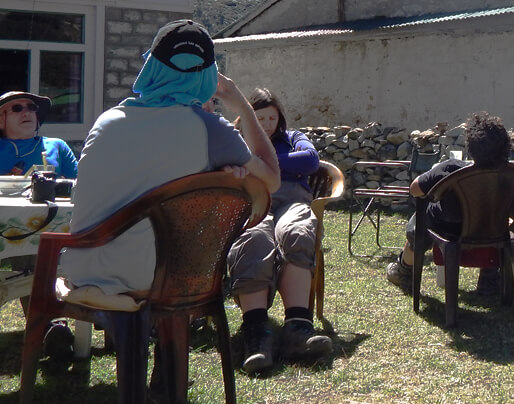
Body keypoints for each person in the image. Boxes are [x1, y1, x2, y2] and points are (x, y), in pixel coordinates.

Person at [58, 20, 280, 312]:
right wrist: (243, 107)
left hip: (83, 272)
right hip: (159, 279)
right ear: (209, 75)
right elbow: (272, 179)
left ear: (151, 66)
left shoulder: (107, 120)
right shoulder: (210, 130)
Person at [227, 88, 332, 372]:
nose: (266, 125)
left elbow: (310, 160)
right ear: (248, 118)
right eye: (260, 118)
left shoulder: (293, 138)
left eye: (272, 118)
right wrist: (277, 166)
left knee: (297, 230)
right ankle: (256, 334)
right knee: (253, 238)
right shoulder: (237, 140)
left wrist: (261, 164)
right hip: (255, 203)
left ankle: (297, 328)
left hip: (292, 201)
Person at [386, 112, 514, 295]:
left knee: (423, 214)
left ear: (471, 146)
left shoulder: (452, 168)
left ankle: (404, 270)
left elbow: (415, 189)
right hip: (492, 231)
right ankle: (489, 277)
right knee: (490, 216)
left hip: (449, 232)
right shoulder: (512, 174)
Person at [0, 91, 78, 178]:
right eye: (17, 108)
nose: (27, 113)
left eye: (31, 107)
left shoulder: (57, 146)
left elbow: (82, 182)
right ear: (1, 120)